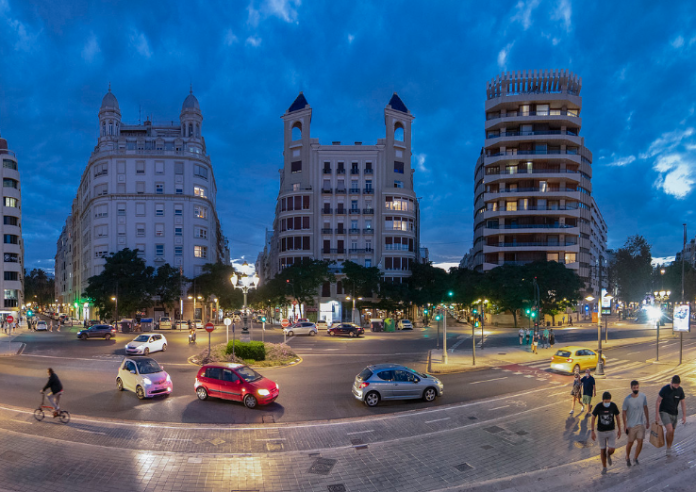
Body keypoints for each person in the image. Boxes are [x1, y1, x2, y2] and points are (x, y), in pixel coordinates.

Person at [655, 375, 686, 457]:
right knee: (670, 429)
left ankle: (669, 447)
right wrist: (657, 414)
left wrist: (684, 416)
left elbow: (683, 403)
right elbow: (658, 401)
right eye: (675, 384)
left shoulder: (680, 390)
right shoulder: (665, 389)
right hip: (664, 411)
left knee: (672, 433)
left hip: (674, 413)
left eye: (678, 384)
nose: (676, 386)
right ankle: (668, 448)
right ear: (671, 383)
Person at [591, 392, 622, 475]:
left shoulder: (613, 406)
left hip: (611, 431)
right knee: (602, 449)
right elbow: (593, 417)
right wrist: (592, 431)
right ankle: (604, 467)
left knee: (612, 449)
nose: (607, 403)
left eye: (609, 401)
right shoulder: (598, 406)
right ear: (603, 400)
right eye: (606, 401)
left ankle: (609, 454)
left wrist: (619, 429)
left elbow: (618, 417)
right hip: (601, 432)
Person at [623, 380, 649, 467]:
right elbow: (624, 412)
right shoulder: (627, 400)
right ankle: (627, 456)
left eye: (637, 387)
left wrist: (648, 420)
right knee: (630, 443)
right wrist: (625, 425)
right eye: (634, 388)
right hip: (631, 425)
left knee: (640, 441)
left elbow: (645, 408)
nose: (636, 389)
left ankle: (635, 457)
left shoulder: (643, 396)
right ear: (631, 388)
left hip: (640, 424)